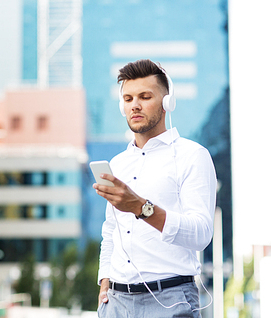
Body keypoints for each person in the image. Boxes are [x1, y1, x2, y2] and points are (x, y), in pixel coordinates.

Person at [94, 59, 216, 318]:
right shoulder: (118, 163)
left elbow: (202, 234)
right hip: (115, 303)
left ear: (167, 102)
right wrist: (104, 278)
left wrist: (141, 208)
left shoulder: (193, 156)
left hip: (169, 299)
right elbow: (111, 229)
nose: (135, 105)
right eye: (127, 99)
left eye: (145, 96)